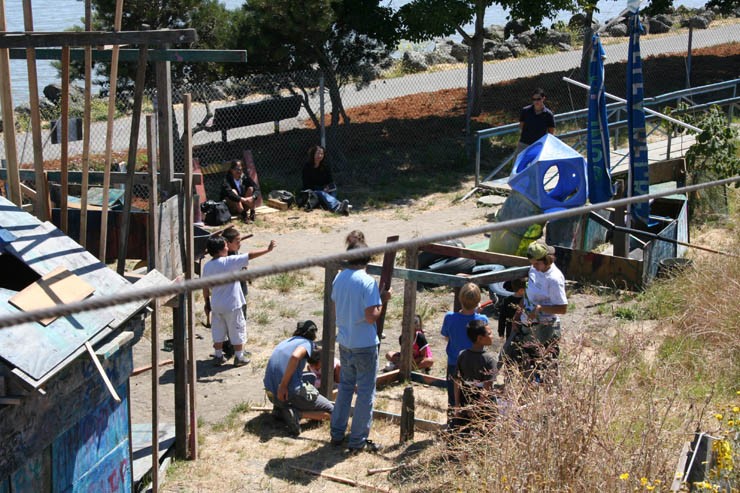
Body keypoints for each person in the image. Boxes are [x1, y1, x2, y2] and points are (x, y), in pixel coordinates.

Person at [330, 235, 391, 454]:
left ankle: (337, 433)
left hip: (345, 341)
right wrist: (382, 300)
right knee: (365, 392)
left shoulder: (339, 278)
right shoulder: (367, 281)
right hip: (364, 344)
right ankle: (357, 440)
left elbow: (336, 307)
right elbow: (371, 316)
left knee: (345, 388)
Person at [202, 235, 276, 367]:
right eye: (225, 246)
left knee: (218, 331)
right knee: (237, 329)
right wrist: (267, 250)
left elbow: (205, 287)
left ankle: (218, 356)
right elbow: (250, 255)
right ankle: (239, 357)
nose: (227, 247)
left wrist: (207, 302)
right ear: (220, 250)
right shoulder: (229, 261)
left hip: (216, 304)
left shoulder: (207, 266)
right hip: (232, 304)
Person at [506, 242, 568, 380]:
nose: (533, 266)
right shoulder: (534, 270)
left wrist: (540, 308)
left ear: (546, 260)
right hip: (528, 325)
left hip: (546, 327)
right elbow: (528, 293)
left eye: (536, 264)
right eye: (532, 264)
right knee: (526, 363)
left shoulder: (554, 279)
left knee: (546, 366)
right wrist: (518, 312)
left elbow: (563, 308)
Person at [263, 320, 334, 436]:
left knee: (307, 381)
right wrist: (283, 385)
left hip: (271, 393)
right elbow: (295, 356)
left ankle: (281, 410)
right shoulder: (307, 343)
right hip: (287, 391)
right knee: (332, 411)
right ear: (313, 334)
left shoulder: (286, 342)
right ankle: (298, 414)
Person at [441, 283, 489, 408]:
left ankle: (453, 424)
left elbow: (447, 337)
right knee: (474, 400)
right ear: (478, 300)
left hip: (454, 363)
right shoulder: (482, 320)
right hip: (476, 364)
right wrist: (477, 314)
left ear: (460, 298)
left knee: (453, 399)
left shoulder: (449, 317)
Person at [453, 319, 497, 420]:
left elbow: (457, 381)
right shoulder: (489, 359)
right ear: (480, 338)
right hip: (484, 406)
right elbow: (487, 387)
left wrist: (457, 405)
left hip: (465, 399)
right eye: (489, 334)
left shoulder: (462, 355)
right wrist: (477, 408)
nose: (492, 336)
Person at [302, 145, 351, 215]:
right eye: (318, 153)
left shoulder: (325, 166)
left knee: (333, 189)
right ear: (313, 154)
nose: (320, 155)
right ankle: (338, 207)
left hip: (325, 189)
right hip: (313, 191)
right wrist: (322, 190)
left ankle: (335, 205)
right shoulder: (307, 167)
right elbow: (306, 185)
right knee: (321, 193)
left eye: (322, 154)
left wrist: (327, 187)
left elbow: (330, 180)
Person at [517, 88, 555, 156]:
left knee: (537, 166)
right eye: (534, 99)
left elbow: (551, 133)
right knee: (518, 165)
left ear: (543, 98)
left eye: (538, 99)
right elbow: (521, 126)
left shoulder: (548, 114)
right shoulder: (525, 111)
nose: (536, 101)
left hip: (539, 145)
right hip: (524, 143)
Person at [221, 159, 259, 223]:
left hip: (243, 204)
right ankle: (244, 216)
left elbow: (256, 188)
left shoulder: (244, 177)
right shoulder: (227, 179)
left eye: (240, 169)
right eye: (236, 169)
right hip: (231, 207)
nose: (239, 171)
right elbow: (229, 193)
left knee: (251, 188)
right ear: (231, 170)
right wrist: (242, 199)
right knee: (233, 191)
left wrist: (253, 197)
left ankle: (252, 212)